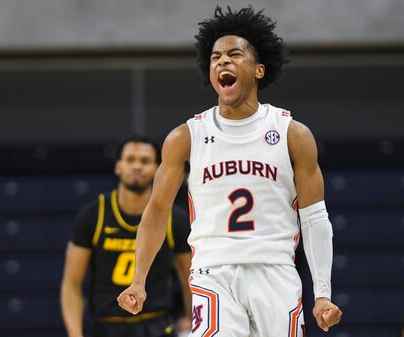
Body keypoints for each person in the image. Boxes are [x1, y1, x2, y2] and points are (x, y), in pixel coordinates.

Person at [118, 6, 342, 337]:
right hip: (213, 271)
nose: (223, 61)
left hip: (275, 270)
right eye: (215, 57)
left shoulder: (292, 134)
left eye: (234, 54)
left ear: (259, 69)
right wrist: (138, 279)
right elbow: (156, 211)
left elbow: (313, 218)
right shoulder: (186, 137)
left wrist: (322, 293)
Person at [61, 135, 192, 337]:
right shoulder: (94, 215)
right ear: (118, 166)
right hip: (106, 325)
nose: (137, 166)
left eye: (145, 161)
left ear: (158, 169)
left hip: (157, 325)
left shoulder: (175, 218)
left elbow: (189, 280)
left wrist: (194, 321)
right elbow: (72, 284)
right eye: (130, 160)